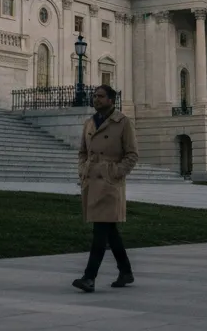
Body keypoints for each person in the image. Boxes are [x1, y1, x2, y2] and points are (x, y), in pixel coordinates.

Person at [72, 84, 139, 293]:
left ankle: (89, 277)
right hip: (92, 181)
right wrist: (83, 169)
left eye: (100, 96)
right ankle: (125, 271)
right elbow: (82, 152)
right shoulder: (89, 123)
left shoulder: (123, 123)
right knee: (109, 231)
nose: (96, 99)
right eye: (95, 96)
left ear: (111, 100)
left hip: (109, 183)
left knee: (100, 230)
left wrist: (115, 172)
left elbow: (132, 155)